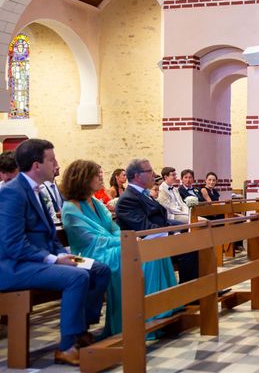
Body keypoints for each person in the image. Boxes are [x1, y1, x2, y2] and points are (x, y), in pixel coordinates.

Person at [0, 139, 110, 366]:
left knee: (98, 269)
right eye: (51, 159)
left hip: (44, 260)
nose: (57, 164)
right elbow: (13, 244)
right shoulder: (12, 193)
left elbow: (50, 237)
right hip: (16, 266)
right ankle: (67, 346)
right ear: (36, 165)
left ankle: (81, 329)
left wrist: (63, 255)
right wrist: (55, 259)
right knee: (77, 276)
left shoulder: (38, 192)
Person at [61, 159, 177, 337]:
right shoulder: (70, 208)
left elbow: (115, 230)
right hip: (89, 254)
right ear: (83, 179)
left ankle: (163, 310)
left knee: (151, 248)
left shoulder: (96, 203)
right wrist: (126, 242)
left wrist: (129, 239)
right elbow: (95, 240)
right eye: (96, 175)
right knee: (142, 252)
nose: (101, 177)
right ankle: (140, 318)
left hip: (111, 245)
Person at [115, 158, 199, 283]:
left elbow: (162, 219)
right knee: (190, 247)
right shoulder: (128, 199)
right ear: (137, 176)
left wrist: (183, 227)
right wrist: (173, 233)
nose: (154, 174)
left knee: (197, 240)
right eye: (149, 171)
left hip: (160, 238)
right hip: (146, 246)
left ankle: (203, 287)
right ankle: (191, 292)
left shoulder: (143, 194)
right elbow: (145, 228)